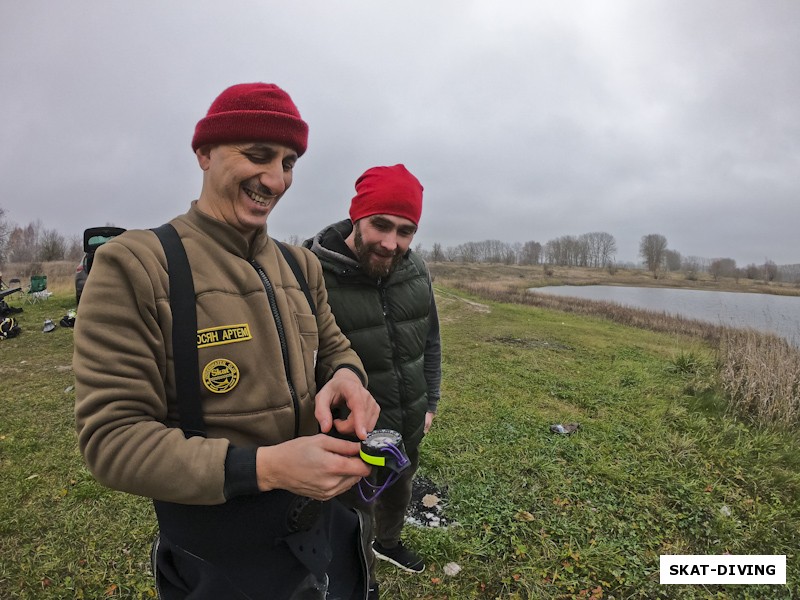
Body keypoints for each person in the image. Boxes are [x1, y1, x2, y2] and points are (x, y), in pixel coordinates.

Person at [74, 83, 380, 600]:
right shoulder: (136, 265)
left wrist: (348, 379)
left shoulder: (300, 264)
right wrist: (270, 467)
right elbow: (112, 440)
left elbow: (336, 348)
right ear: (204, 153)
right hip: (220, 551)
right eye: (257, 156)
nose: (275, 179)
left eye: (288, 162)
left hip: (322, 521)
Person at [304, 164, 442, 585]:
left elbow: (431, 342)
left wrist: (430, 403)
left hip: (407, 421)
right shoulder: (311, 273)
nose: (390, 242)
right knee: (350, 518)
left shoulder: (417, 271)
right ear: (357, 216)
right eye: (380, 225)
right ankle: (360, 576)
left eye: (405, 231)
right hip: (348, 433)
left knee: (399, 490)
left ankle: (390, 542)